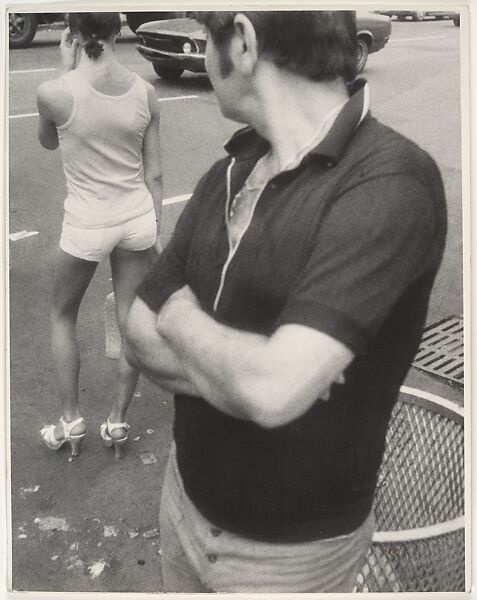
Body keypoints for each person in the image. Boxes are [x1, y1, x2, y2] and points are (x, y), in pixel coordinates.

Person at [126, 10, 447, 593]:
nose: (203, 56)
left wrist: (178, 312)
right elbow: (138, 333)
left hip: (292, 557)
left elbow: (270, 389)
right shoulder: (228, 171)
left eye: (205, 40)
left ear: (243, 42)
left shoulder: (390, 182)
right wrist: (253, 378)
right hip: (183, 503)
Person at [37, 12, 162, 459]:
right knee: (130, 319)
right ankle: (117, 421)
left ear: (72, 33)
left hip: (88, 222)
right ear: (119, 29)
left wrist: (62, 70)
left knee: (62, 315)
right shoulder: (145, 92)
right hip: (136, 219)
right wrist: (155, 232)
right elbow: (156, 172)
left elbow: (49, 142)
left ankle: (71, 421)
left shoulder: (54, 92)